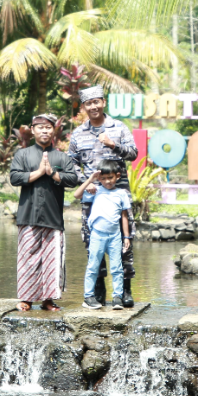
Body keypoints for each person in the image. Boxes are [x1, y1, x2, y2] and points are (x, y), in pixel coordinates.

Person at [67, 86, 138, 307]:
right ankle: (99, 289)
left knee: (124, 240)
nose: (93, 106)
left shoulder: (119, 127)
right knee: (92, 242)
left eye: (96, 102)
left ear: (103, 102)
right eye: (89, 103)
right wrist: (83, 181)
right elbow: (71, 163)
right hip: (92, 198)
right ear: (84, 106)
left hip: (119, 195)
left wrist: (113, 145)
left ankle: (125, 290)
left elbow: (134, 153)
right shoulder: (78, 133)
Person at [10, 113, 79, 312]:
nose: (44, 130)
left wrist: (53, 174)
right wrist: (39, 172)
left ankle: (48, 300)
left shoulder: (61, 157)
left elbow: (72, 179)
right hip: (28, 215)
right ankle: (27, 299)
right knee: (28, 259)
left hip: (53, 217)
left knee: (52, 260)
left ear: (54, 131)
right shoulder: (22, 155)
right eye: (40, 127)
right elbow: (14, 177)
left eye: (48, 127)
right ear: (32, 130)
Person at [73, 160, 131, 310]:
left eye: (110, 178)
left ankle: (117, 297)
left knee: (117, 267)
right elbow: (76, 194)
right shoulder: (95, 190)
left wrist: (126, 237)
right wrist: (90, 180)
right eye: (103, 178)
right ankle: (88, 296)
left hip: (115, 236)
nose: (107, 181)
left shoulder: (121, 194)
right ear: (99, 178)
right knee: (93, 266)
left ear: (117, 176)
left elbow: (124, 216)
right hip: (97, 235)